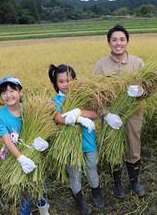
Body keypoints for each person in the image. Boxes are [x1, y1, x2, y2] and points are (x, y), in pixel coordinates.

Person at [94, 24, 146, 198]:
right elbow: (96, 94)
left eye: (122, 39)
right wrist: (105, 114)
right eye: (114, 40)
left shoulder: (138, 63)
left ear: (127, 41)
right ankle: (117, 184)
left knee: (133, 148)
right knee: (114, 150)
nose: (118, 43)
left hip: (133, 115)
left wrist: (140, 92)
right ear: (109, 43)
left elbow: (149, 89)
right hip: (111, 115)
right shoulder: (101, 65)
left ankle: (135, 182)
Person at [48, 64, 104, 214]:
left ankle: (96, 192)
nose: (66, 84)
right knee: (74, 171)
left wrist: (79, 112)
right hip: (70, 145)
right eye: (61, 81)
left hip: (88, 139)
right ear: (55, 83)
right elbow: (58, 118)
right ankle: (79, 200)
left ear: (75, 80)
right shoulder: (56, 100)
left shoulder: (84, 95)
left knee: (92, 165)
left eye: (69, 80)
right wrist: (78, 119)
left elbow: (95, 113)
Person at [0, 76, 49, 215]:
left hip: (34, 153)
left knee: (40, 185)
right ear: (0, 96)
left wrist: (43, 141)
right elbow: (6, 139)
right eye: (4, 92)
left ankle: (44, 210)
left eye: (12, 90)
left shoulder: (30, 109)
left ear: (21, 92)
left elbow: (43, 127)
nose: (8, 95)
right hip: (16, 156)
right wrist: (20, 158)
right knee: (24, 190)